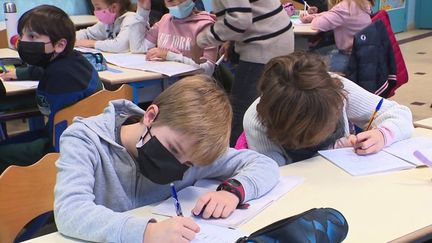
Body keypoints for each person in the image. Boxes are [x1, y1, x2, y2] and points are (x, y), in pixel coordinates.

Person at [54, 75, 280, 242]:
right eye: (172, 149)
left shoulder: (193, 151)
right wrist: (147, 232)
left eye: (188, 164)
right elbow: (70, 211)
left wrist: (234, 191)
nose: (177, 165)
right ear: (151, 116)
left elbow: (264, 164)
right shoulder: (85, 139)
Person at [243, 52, 413, 166]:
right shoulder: (256, 120)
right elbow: (277, 175)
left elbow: (399, 113)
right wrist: (333, 149)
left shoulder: (334, 88)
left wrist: (382, 134)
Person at [0, 5, 102, 173]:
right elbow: (42, 68)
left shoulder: (61, 79)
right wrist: (19, 73)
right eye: (22, 35)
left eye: (32, 37)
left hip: (66, 148)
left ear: (59, 44)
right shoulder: (70, 60)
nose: (23, 42)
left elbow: (62, 132)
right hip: (78, 137)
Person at [196, 0, 294, 146]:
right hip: (271, 37)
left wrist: (201, 39)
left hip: (264, 46)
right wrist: (231, 39)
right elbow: (242, 12)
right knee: (263, 106)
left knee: (241, 112)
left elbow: (240, 19)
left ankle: (235, 158)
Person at [129, 0, 217, 76]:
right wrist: (142, 12)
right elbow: (138, 48)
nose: (177, 4)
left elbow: (208, 70)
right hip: (162, 80)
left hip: (189, 87)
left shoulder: (206, 25)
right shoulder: (165, 20)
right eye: (170, 1)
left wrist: (169, 55)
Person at [300, 0, 374, 73]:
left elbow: (317, 25)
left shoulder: (344, 7)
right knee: (314, 53)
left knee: (307, 64)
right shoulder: (358, 3)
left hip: (350, 57)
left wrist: (313, 18)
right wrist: (314, 16)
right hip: (362, 54)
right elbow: (331, 13)